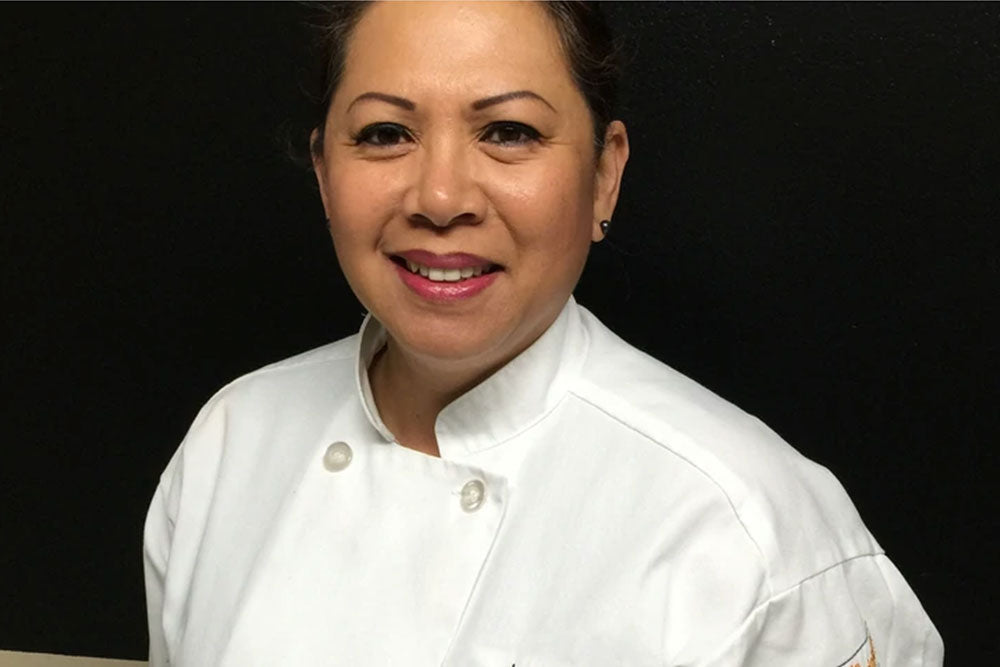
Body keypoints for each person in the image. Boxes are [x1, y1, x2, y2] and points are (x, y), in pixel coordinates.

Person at [143, 2, 943, 665]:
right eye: (386, 133)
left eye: (509, 132)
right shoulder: (230, 441)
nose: (442, 194)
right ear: (324, 173)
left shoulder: (747, 526)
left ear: (604, 174)